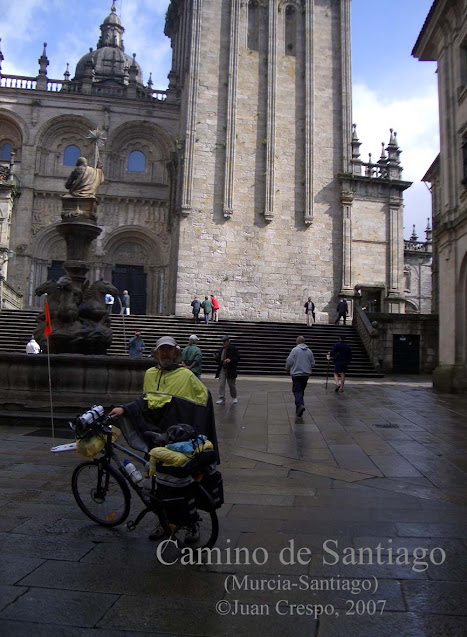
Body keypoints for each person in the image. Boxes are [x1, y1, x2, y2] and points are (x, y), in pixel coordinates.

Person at [108, 335, 218, 542]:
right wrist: (125, 408)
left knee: (183, 483)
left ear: (176, 352)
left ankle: (192, 525)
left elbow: (204, 400)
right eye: (162, 350)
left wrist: (193, 429)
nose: (165, 353)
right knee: (157, 483)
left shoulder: (186, 376)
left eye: (169, 350)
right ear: (157, 352)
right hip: (156, 436)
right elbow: (148, 399)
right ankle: (164, 522)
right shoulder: (150, 373)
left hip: (178, 439)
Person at [285, 336, 315, 417]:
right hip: (306, 374)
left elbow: (289, 360)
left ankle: (300, 405)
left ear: (298, 342)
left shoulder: (295, 350)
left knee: (296, 390)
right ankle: (298, 407)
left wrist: (287, 368)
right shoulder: (309, 351)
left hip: (296, 373)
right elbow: (313, 363)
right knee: (301, 390)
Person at [214, 335, 240, 405]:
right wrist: (216, 358)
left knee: (231, 384)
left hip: (230, 369)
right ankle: (221, 398)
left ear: (228, 341)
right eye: (223, 342)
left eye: (225, 341)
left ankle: (234, 397)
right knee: (221, 384)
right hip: (222, 368)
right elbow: (219, 359)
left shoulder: (233, 348)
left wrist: (230, 360)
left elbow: (237, 357)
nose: (223, 343)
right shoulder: (221, 349)